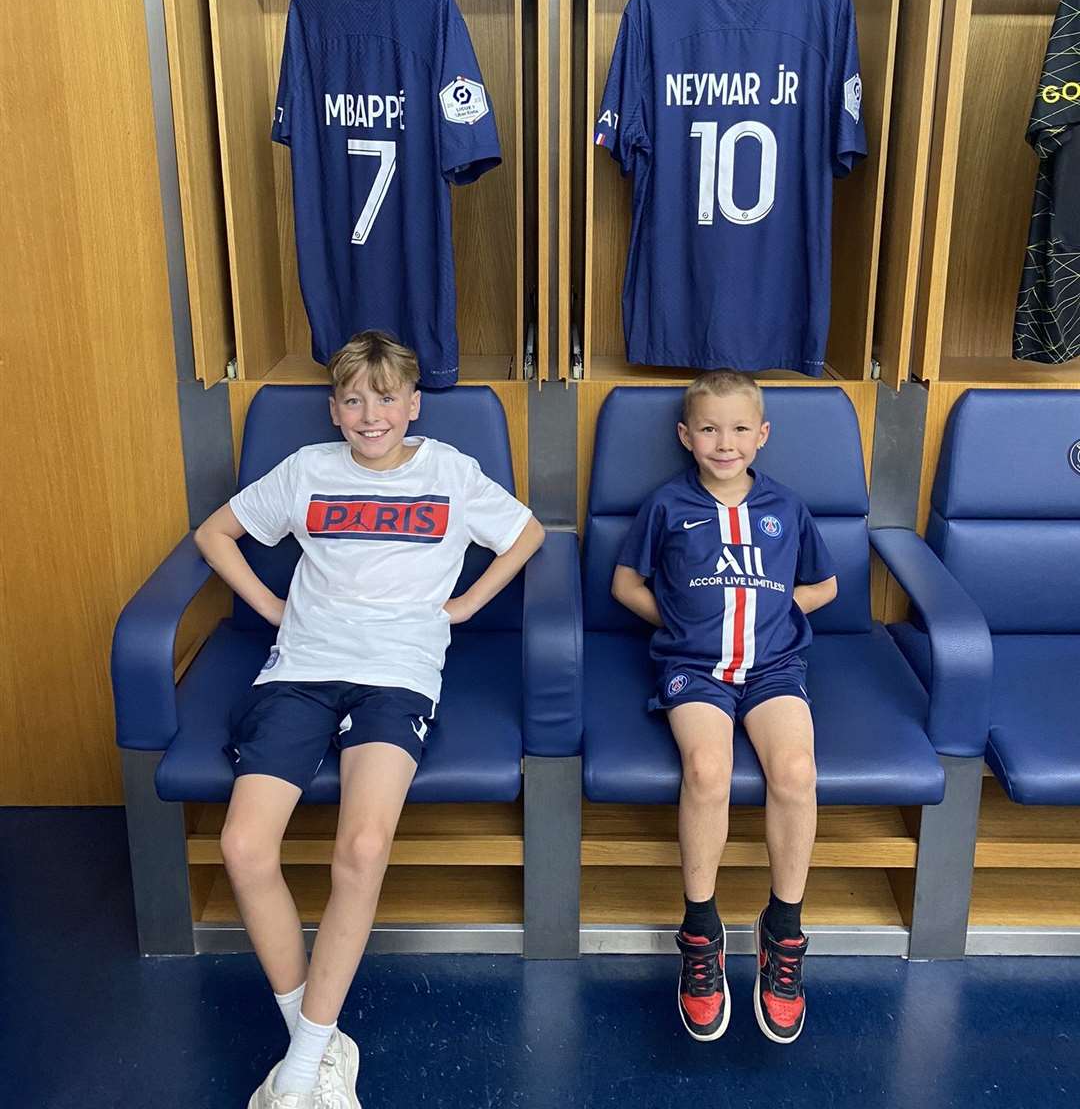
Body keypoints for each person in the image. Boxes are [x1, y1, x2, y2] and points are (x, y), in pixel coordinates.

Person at [194, 330, 545, 1108]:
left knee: (362, 846)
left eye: (385, 399)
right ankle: (315, 1047)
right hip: (302, 669)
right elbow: (214, 534)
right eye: (353, 400)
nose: (369, 415)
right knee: (243, 847)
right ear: (334, 409)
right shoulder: (308, 471)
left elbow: (527, 534)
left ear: (413, 406)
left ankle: (302, 1064)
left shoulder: (449, 472)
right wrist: (274, 606)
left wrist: (462, 607)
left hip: (397, 674)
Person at [611, 369, 837, 1045]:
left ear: (762, 435)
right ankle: (702, 933)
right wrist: (681, 623)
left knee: (795, 771)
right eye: (709, 428)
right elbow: (626, 583)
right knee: (706, 771)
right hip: (694, 669)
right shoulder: (667, 505)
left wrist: (773, 616)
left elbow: (822, 586)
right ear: (686, 435)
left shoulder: (787, 508)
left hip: (772, 666)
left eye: (740, 428)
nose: (724, 441)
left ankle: (784, 931)